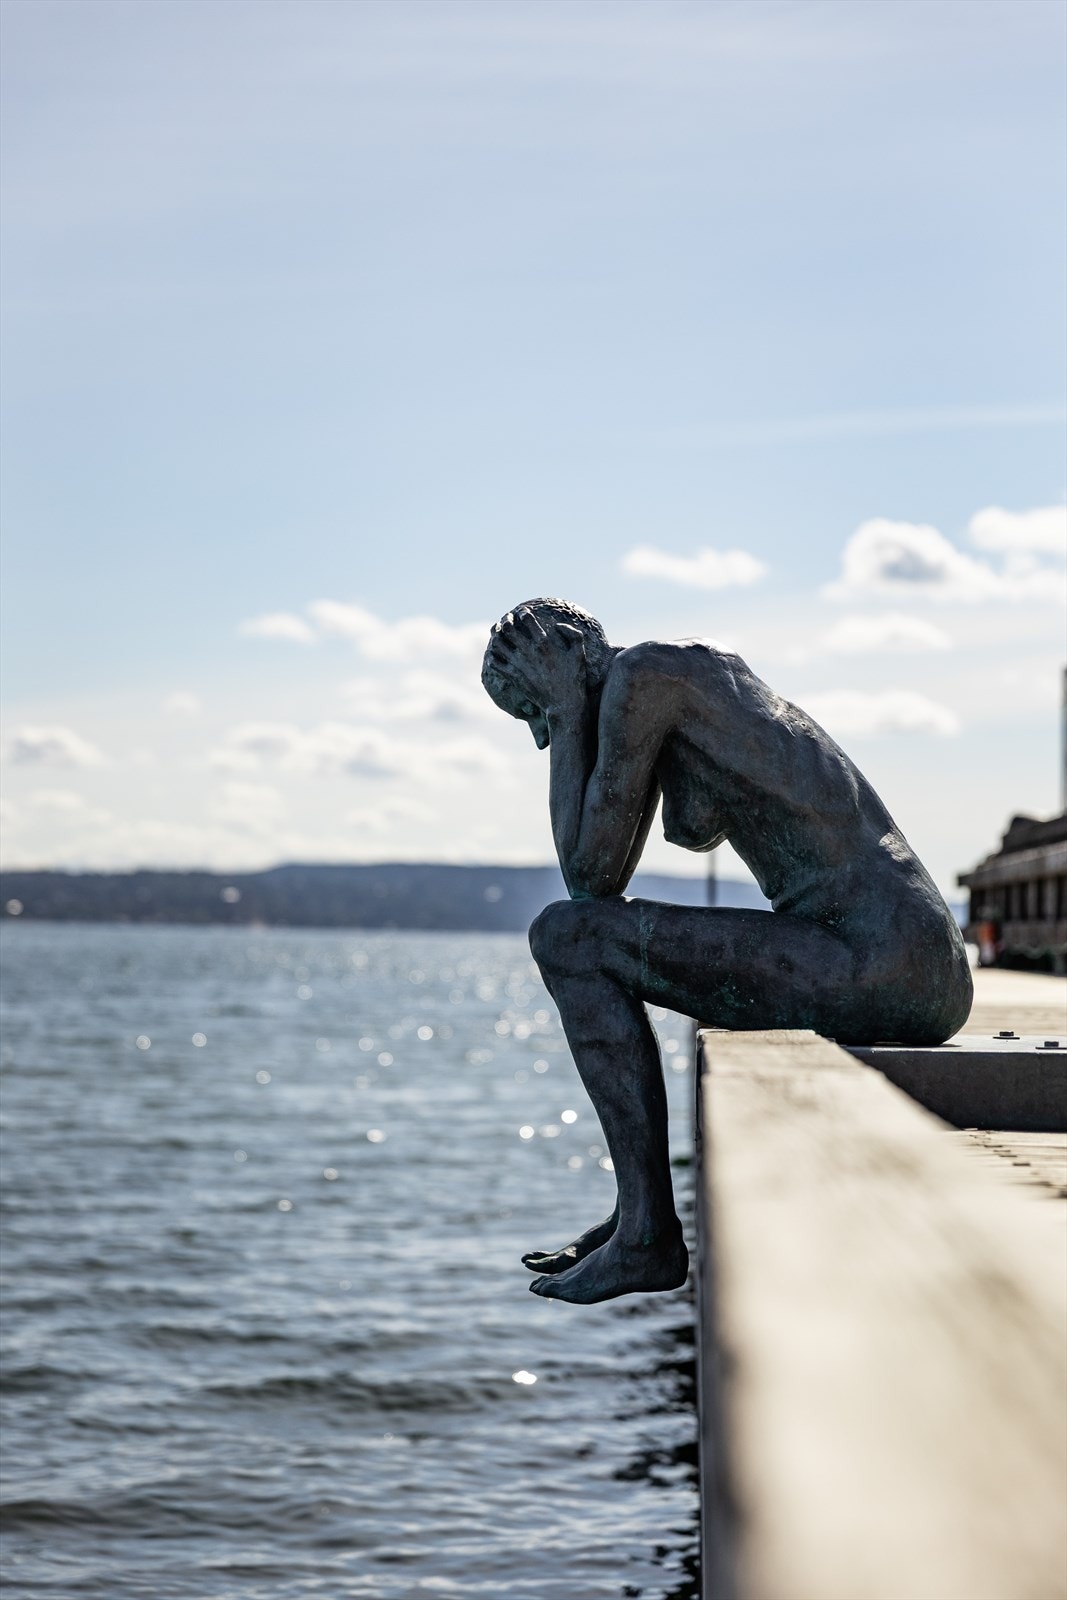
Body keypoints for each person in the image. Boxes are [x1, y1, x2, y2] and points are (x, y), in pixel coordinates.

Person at [481, 598, 972, 1304]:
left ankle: (648, 1235)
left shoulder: (644, 678)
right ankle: (635, 1217)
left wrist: (565, 713)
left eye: (527, 707)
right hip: (920, 961)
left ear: (565, 655)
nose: (537, 737)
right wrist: (580, 719)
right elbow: (697, 826)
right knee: (577, 930)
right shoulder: (690, 673)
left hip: (875, 958)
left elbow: (590, 879)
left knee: (567, 937)